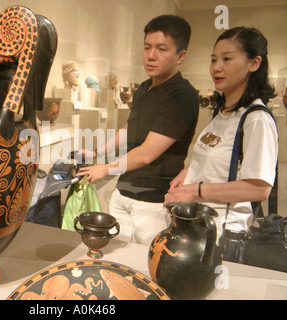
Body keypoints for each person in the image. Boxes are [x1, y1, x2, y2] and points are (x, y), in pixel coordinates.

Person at [76, 15, 199, 244]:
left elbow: (146, 154)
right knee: (117, 254)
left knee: (147, 263)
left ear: (180, 56)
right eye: (147, 47)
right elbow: (128, 129)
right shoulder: (144, 88)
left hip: (153, 201)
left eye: (162, 49)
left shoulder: (182, 95)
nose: (151, 56)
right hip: (123, 192)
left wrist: (106, 169)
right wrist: (96, 153)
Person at [165, 27, 278, 246]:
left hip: (220, 237)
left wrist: (196, 190)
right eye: (214, 59)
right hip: (197, 227)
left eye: (227, 59)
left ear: (254, 63)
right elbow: (222, 160)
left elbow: (259, 188)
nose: (217, 68)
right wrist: (188, 173)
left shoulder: (256, 119)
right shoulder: (223, 112)